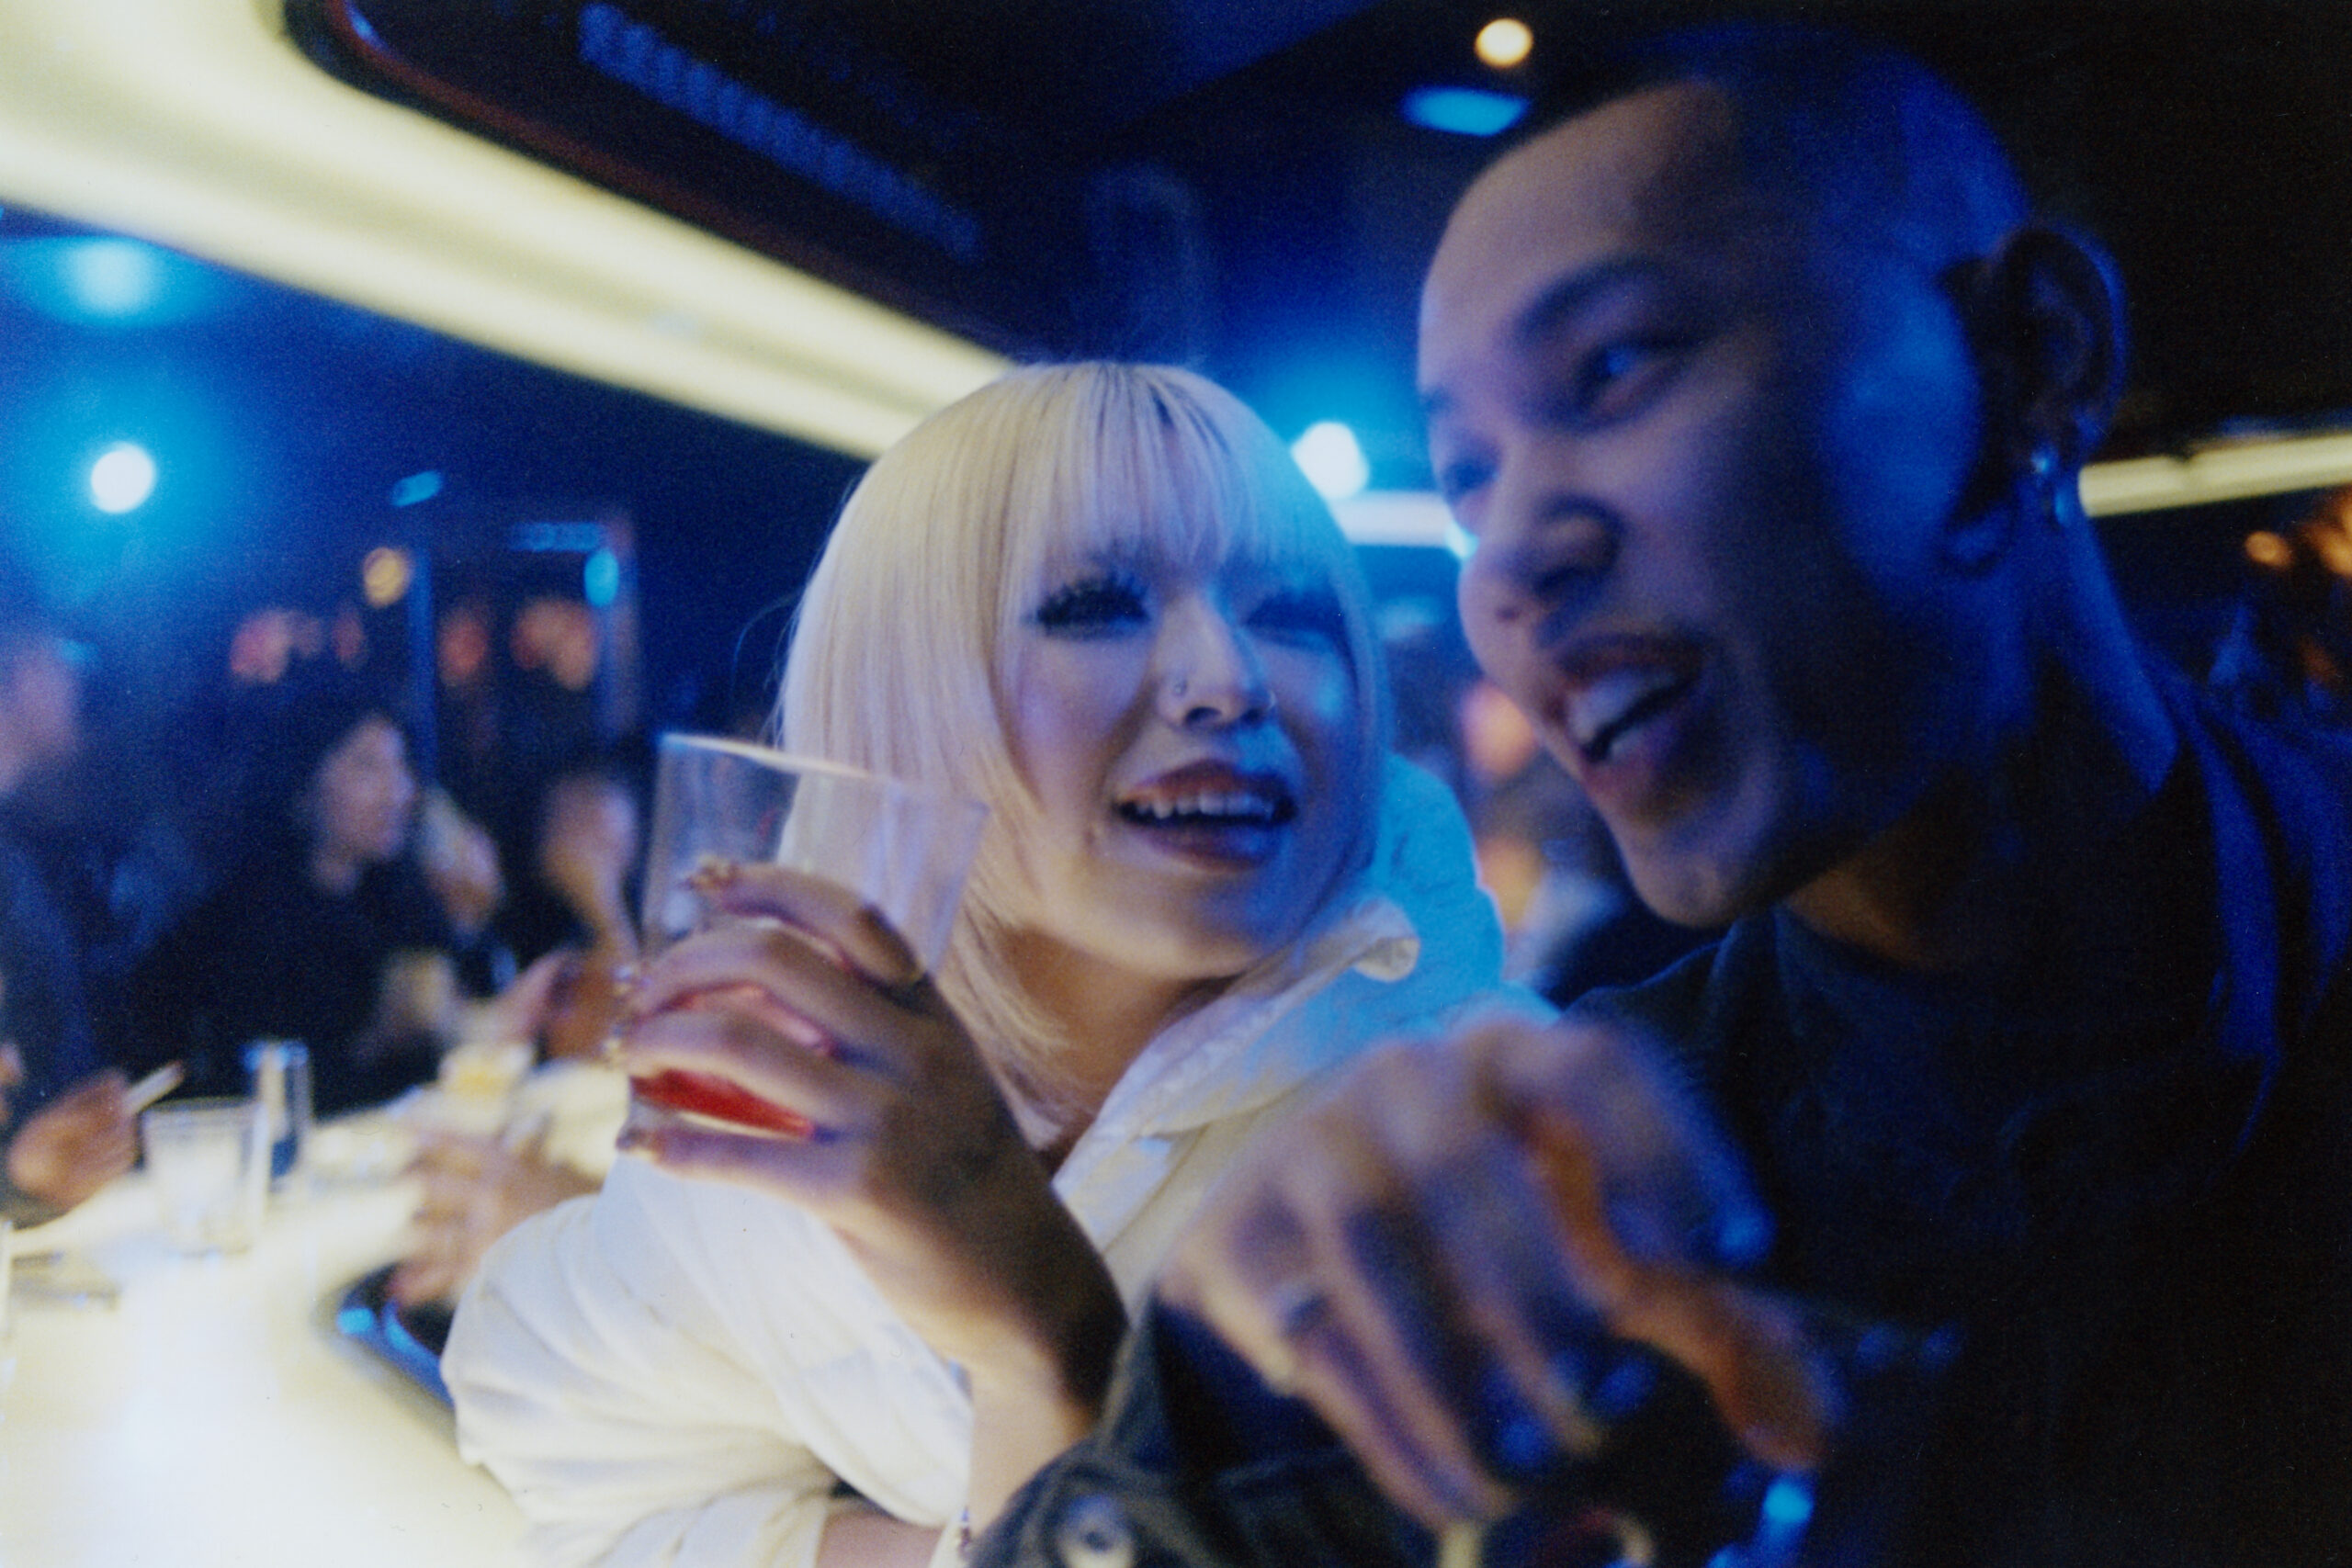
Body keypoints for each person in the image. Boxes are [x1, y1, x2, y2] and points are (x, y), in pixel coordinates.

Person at [973, 25, 2352, 1568]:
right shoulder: (1595, 1193)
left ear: (2031, 359)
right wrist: (1212, 1413)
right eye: (1470, 472)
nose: (1509, 557)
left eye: (1615, 368)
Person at [439, 362, 1534, 1568]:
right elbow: (575, 1462)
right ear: (899, 695)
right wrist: (960, 1541)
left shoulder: (1492, 1138)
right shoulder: (805, 1081)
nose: (1230, 680)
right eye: (1098, 604)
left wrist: (1043, 1352)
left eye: (1291, 613)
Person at [126, 672, 458, 1115]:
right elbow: (267, 1093)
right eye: (367, 767)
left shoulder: (393, 897)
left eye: (400, 766)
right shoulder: (248, 922)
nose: (397, 792)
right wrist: (382, 1038)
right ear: (303, 784)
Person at [0, 590, 135, 1224]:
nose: (79, 677)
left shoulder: (15, 859)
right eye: (64, 653)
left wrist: (19, 1174)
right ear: (16, 665)